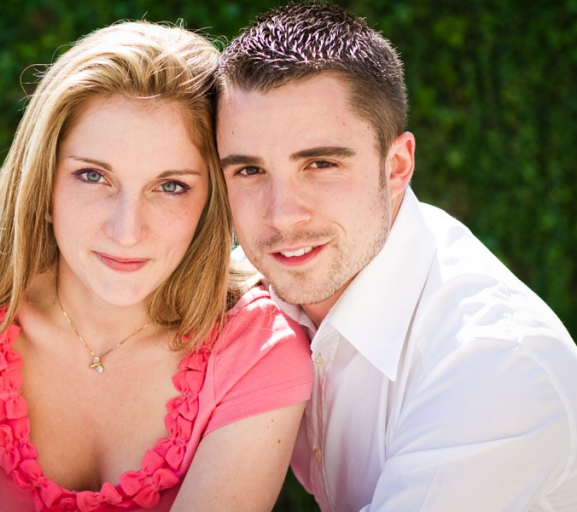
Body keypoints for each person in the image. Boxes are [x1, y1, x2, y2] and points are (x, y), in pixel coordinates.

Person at [0, 21, 314, 512]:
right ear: (43, 185)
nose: (126, 231)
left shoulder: (258, 350)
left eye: (171, 186)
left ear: (211, 202)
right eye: (92, 176)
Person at [215, 2, 577, 511]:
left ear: (396, 167)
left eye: (321, 164)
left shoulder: (496, 364)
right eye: (249, 171)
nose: (281, 216)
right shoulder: (251, 286)